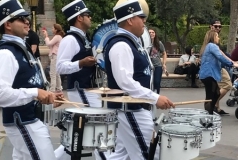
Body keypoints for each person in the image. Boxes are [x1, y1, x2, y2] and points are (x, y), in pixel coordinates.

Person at [104, 0, 174, 159]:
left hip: (133, 109)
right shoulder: (121, 45)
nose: (144, 21)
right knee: (149, 155)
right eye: (140, 17)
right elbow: (125, 82)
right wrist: (155, 98)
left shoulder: (131, 43)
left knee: (120, 155)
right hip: (130, 110)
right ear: (129, 20)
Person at [0, 0, 66, 159]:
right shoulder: (6, 53)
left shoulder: (21, 49)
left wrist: (46, 96)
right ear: (8, 24)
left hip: (30, 120)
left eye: (26, 18)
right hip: (23, 122)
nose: (27, 21)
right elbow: (0, 94)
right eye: (21, 19)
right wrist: (35, 92)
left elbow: (28, 83)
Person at [57, 0, 106, 159]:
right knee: (99, 129)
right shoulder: (70, 39)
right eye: (87, 15)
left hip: (87, 89)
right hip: (80, 90)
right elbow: (60, 67)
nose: (90, 18)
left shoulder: (83, 37)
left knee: (82, 133)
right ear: (79, 17)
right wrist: (81, 63)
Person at [199, 30, 238, 115]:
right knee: (210, 96)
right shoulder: (212, 46)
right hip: (209, 74)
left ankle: (210, 112)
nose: (218, 38)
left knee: (216, 93)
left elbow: (221, 60)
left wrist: (232, 64)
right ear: (213, 37)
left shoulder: (208, 46)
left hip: (207, 75)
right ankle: (209, 115)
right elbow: (220, 57)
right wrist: (233, 64)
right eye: (217, 36)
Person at [209, 19, 232, 115]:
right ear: (211, 26)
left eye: (219, 26)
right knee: (227, 84)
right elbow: (219, 54)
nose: (218, 28)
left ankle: (217, 108)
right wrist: (231, 62)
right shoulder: (210, 37)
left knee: (219, 87)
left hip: (217, 66)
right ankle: (212, 104)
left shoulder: (215, 37)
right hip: (216, 66)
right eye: (215, 26)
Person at [42, 23, 64, 93]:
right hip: (57, 56)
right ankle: (59, 88)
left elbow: (49, 44)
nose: (52, 29)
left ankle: (52, 90)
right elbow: (51, 46)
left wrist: (46, 36)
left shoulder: (57, 36)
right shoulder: (59, 37)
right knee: (57, 74)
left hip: (55, 56)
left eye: (53, 28)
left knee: (52, 73)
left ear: (56, 29)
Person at [148, 27, 167, 93]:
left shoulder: (159, 43)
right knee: (149, 83)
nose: (151, 34)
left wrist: (164, 64)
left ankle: (157, 96)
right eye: (149, 32)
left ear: (155, 34)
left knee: (157, 82)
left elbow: (164, 53)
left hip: (157, 65)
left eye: (153, 32)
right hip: (148, 66)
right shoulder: (145, 43)